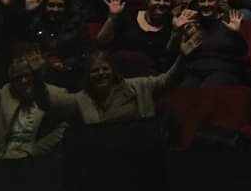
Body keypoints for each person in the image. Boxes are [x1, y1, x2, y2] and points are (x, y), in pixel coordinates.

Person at [72, 33, 200, 124]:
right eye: (95, 70)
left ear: (113, 71)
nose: (101, 73)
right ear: (88, 75)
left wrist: (182, 57)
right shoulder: (79, 100)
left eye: (105, 68)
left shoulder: (138, 86)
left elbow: (167, 82)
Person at [96, 0, 191, 77]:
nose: (161, 3)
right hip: (118, 73)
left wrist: (176, 31)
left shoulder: (172, 24)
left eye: (166, 0)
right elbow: (101, 41)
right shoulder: (129, 15)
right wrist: (112, 18)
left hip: (147, 79)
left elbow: (168, 56)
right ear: (148, 0)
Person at [178, 0, 247, 87]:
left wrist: (236, 33)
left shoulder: (229, 22)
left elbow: (243, 52)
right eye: (202, 1)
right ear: (197, 4)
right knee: (184, 87)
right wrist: (178, 31)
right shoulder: (191, 24)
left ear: (217, 3)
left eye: (210, 0)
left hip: (223, 71)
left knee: (208, 87)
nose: (206, 4)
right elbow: (181, 53)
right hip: (194, 72)